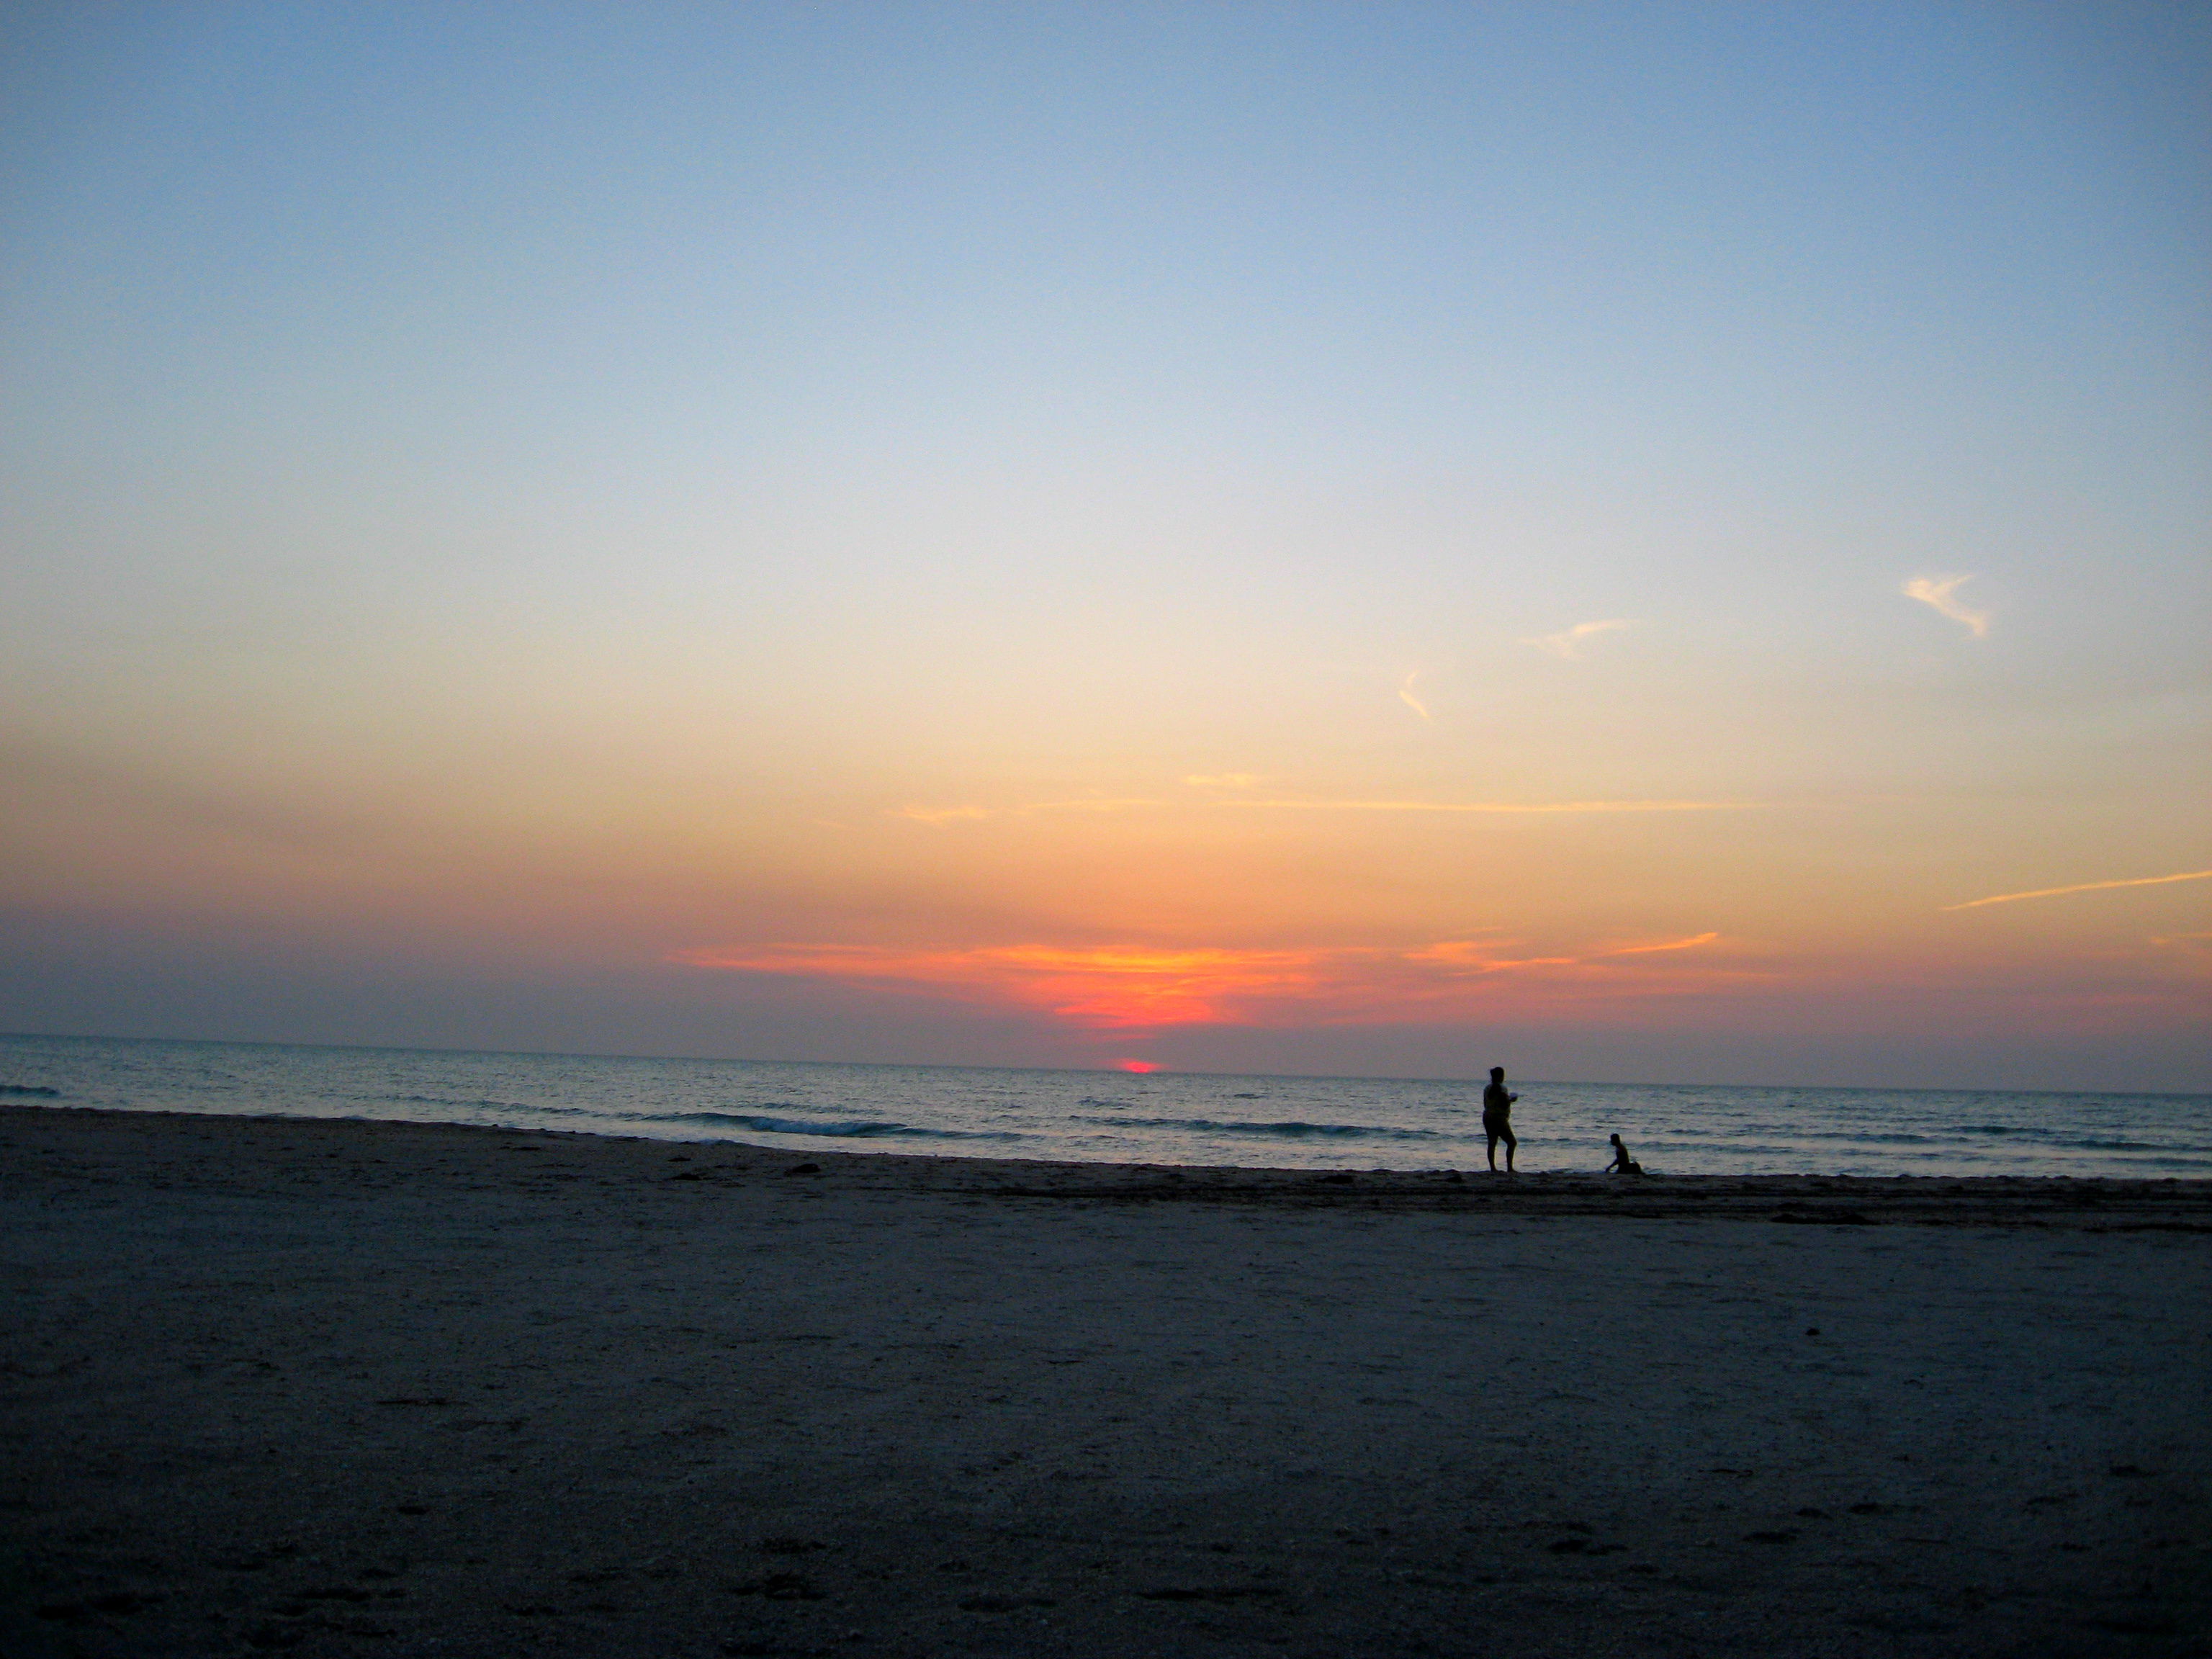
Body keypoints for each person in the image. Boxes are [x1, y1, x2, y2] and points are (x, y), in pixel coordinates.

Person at [1481, 1066, 1517, 1174]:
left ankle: (1493, 1168)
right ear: (1501, 1076)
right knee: (1512, 1143)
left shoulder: (1487, 1088)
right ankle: (1510, 1168)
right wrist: (1511, 1100)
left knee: (1492, 1142)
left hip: (1488, 1116)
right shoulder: (1502, 1088)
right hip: (1499, 1117)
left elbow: (1485, 1104)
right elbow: (1504, 1103)